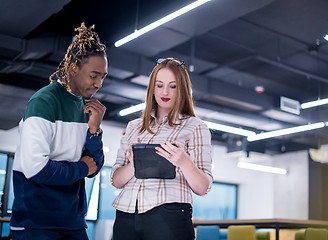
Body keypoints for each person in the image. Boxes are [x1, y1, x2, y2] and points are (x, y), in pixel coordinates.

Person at [10, 23, 107, 240]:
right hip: (36, 224)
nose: (99, 83)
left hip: (72, 223)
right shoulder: (44, 101)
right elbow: (36, 168)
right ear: (74, 68)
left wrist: (94, 130)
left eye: (103, 76)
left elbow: (95, 166)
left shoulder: (88, 107)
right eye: (94, 75)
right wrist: (81, 167)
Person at [111, 58, 213, 240]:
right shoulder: (134, 126)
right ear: (152, 88)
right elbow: (116, 181)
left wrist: (183, 162)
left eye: (173, 86)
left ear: (182, 89)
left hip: (168, 214)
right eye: (159, 85)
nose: (165, 92)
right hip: (126, 214)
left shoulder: (195, 127)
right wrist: (135, 165)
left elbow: (203, 188)